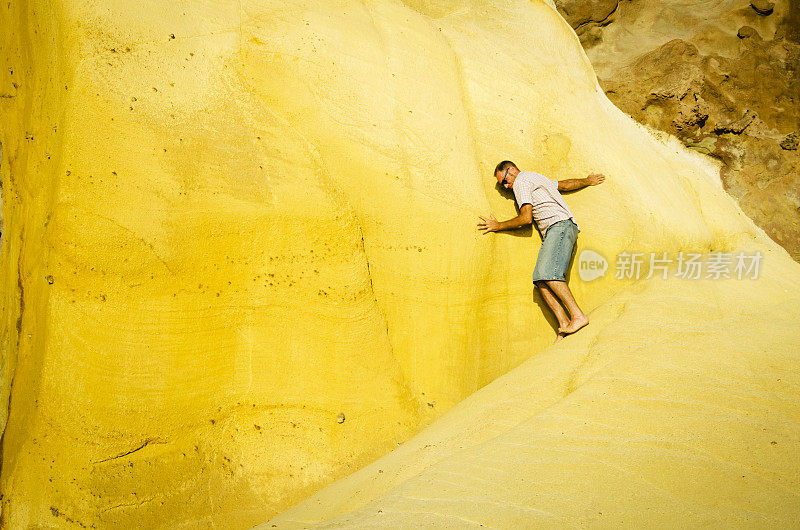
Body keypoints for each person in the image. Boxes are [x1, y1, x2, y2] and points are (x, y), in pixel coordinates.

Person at [477, 160, 605, 342]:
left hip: (558, 227)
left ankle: (578, 316)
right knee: (540, 279)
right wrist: (587, 180)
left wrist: (499, 226)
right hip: (561, 228)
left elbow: (526, 218)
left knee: (549, 274)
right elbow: (564, 185)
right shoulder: (535, 177)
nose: (506, 186)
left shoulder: (521, 182)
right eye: (502, 185)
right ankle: (564, 325)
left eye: (504, 180)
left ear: (512, 170)